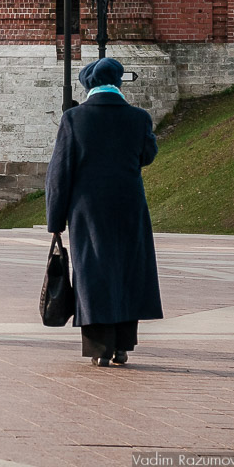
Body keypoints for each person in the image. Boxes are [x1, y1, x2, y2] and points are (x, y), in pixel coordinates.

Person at [46, 57, 163, 367]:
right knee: (126, 271)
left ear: (89, 86)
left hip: (87, 211)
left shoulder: (74, 119)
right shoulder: (139, 118)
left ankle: (100, 348)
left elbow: (59, 173)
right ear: (119, 83)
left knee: (93, 272)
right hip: (128, 206)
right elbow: (147, 155)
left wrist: (55, 221)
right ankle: (123, 344)